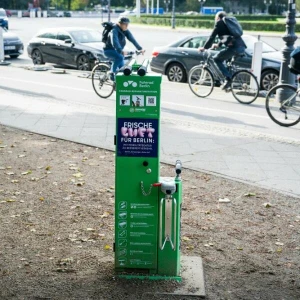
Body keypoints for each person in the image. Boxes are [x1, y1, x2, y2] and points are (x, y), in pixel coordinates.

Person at [198, 11, 246, 90]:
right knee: (227, 63)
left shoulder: (219, 23)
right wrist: (218, 45)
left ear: (219, 18)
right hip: (241, 47)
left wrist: (204, 48)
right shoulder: (228, 24)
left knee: (216, 59)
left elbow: (211, 37)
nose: (215, 20)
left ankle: (228, 79)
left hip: (234, 48)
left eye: (215, 18)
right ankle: (228, 85)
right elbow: (227, 36)